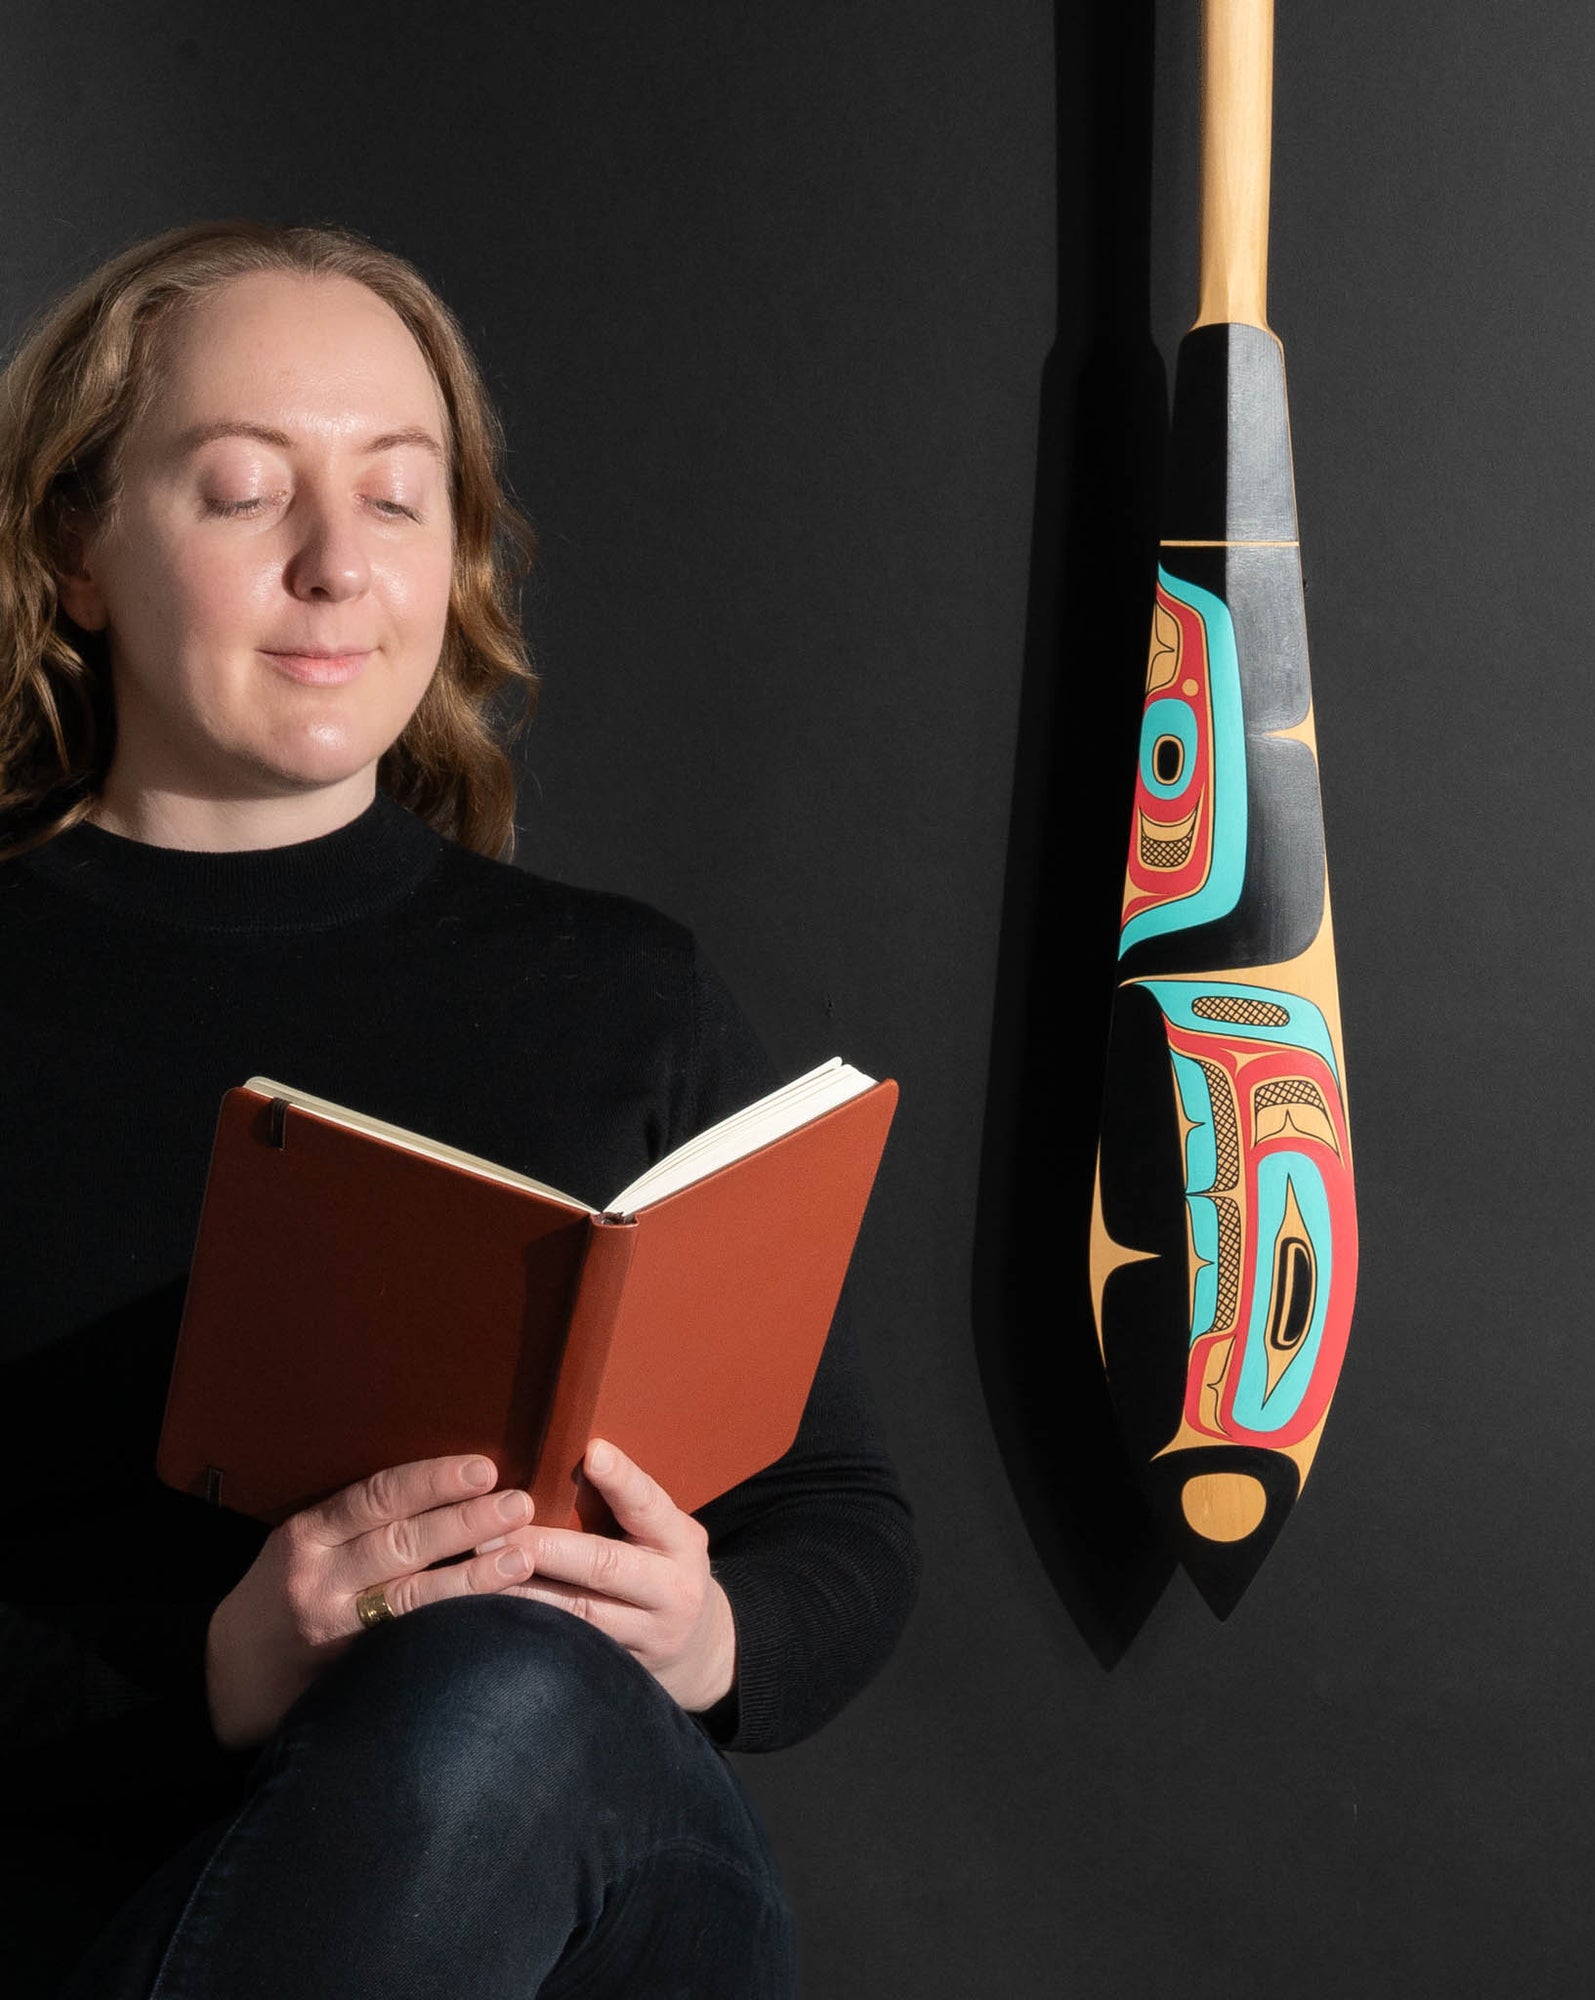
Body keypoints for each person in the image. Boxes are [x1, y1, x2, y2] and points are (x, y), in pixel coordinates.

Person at [0, 220, 919, 1998]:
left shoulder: (615, 992)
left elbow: (841, 1514)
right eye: (247, 491)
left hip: (597, 1877)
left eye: (400, 498)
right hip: (78, 1905)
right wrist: (214, 1668)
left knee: (502, 1681)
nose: (337, 565)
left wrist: (711, 1631)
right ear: (78, 553)